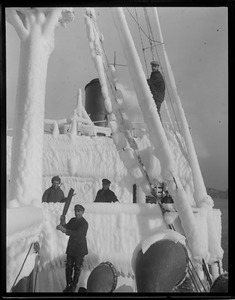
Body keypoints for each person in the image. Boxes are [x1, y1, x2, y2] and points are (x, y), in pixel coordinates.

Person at [56, 204, 89, 293]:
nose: (77, 213)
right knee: (69, 267)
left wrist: (65, 230)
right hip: (71, 248)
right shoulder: (73, 220)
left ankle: (74, 286)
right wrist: (63, 222)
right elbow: (67, 226)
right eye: (76, 211)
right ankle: (68, 285)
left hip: (80, 249)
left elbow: (78, 234)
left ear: (82, 212)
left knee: (77, 268)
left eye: (79, 211)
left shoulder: (84, 223)